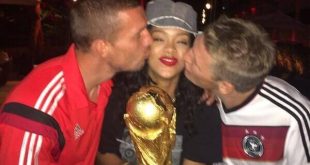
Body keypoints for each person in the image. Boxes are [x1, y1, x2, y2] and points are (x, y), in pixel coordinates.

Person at [0, 0, 152, 164]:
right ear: (103, 47)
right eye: (139, 35)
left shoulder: (106, 83)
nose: (149, 40)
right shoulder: (36, 115)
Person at [96, 0, 222, 165]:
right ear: (144, 43)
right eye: (159, 39)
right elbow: (105, 152)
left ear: (191, 51)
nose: (170, 49)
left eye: (181, 41)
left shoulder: (203, 105)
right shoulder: (116, 94)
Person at [184, 16, 310, 165]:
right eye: (192, 46)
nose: (185, 56)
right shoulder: (213, 93)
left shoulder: (292, 117)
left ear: (225, 86)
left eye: (194, 61)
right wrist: (212, 88)